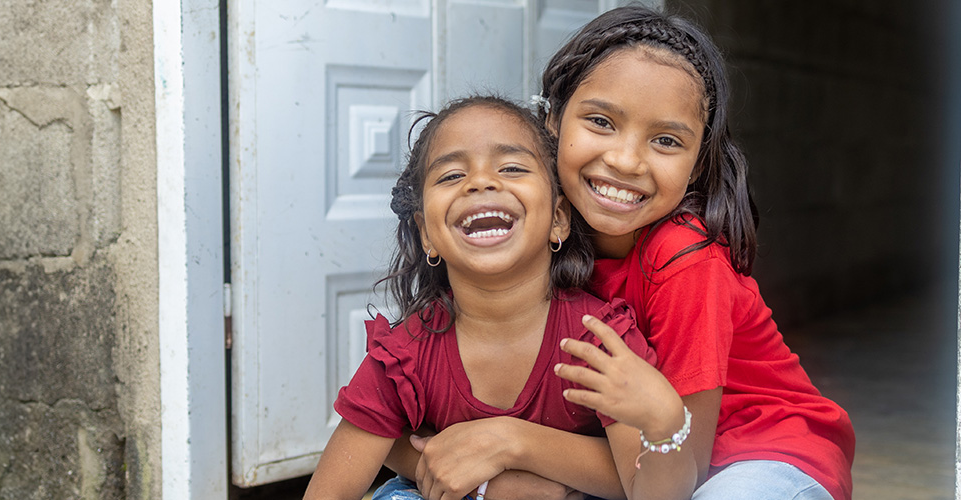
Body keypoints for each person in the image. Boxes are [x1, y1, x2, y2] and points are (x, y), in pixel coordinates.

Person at [385, 5, 855, 500]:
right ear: (552, 121)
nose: (626, 160)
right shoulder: (534, 235)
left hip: (759, 459)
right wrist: (492, 476)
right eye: (601, 121)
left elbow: (683, 462)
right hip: (634, 466)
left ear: (696, 166)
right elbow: (391, 428)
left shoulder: (684, 259)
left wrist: (511, 443)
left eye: (667, 140)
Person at [303, 95, 686, 500]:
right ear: (426, 234)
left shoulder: (600, 342)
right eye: (451, 175)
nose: (481, 182)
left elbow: (649, 491)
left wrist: (666, 425)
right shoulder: (403, 357)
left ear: (558, 219)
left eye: (512, 168)